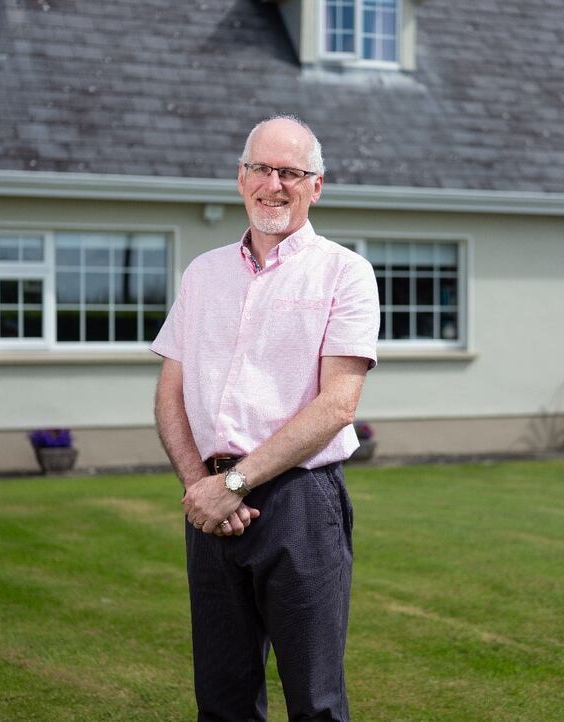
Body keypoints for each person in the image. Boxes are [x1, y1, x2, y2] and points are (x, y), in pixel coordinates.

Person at [151, 115, 380, 722]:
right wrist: (202, 487)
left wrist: (234, 485)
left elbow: (338, 404)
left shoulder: (345, 273)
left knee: (316, 704)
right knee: (222, 702)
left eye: (291, 172)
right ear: (240, 177)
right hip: (211, 505)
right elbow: (169, 393)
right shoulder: (203, 275)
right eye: (261, 168)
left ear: (317, 186)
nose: (273, 184)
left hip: (301, 505)